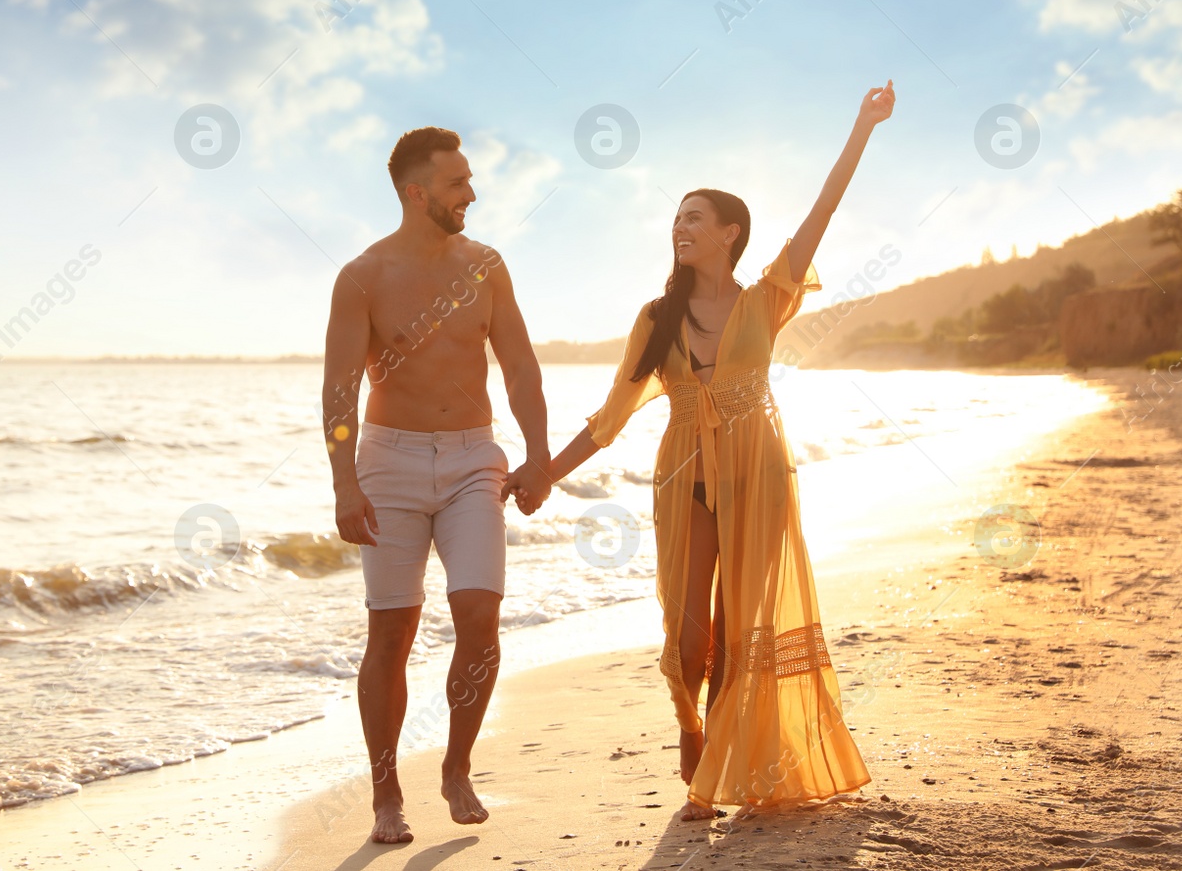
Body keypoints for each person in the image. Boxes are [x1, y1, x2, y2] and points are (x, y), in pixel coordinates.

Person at [508, 81, 895, 819]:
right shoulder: (656, 318)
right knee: (690, 638)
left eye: (693, 218)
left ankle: (714, 779)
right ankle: (699, 765)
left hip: (760, 471)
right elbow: (609, 418)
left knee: (742, 630)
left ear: (729, 233)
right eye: (675, 219)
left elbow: (824, 210)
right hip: (685, 472)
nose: (679, 228)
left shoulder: (765, 300)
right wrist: (542, 476)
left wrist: (863, 126)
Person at [322, 126, 552, 845]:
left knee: (480, 613)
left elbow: (518, 365)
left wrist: (539, 452)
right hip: (387, 462)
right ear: (416, 192)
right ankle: (386, 792)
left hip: (471, 459)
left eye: (470, 180)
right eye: (458, 184)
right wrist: (344, 486)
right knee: (392, 629)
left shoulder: (486, 266)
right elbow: (338, 392)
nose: (472, 194)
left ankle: (456, 766)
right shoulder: (363, 276)